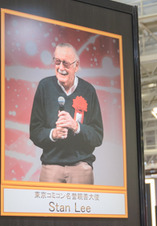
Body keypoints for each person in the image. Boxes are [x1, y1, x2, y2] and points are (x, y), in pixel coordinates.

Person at [29, 42, 104, 184]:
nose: (61, 68)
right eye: (57, 62)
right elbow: (35, 131)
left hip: (81, 167)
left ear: (76, 66)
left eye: (66, 63)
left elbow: (97, 136)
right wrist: (53, 134)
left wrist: (76, 126)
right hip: (50, 167)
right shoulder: (44, 87)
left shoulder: (88, 91)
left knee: (82, 207)